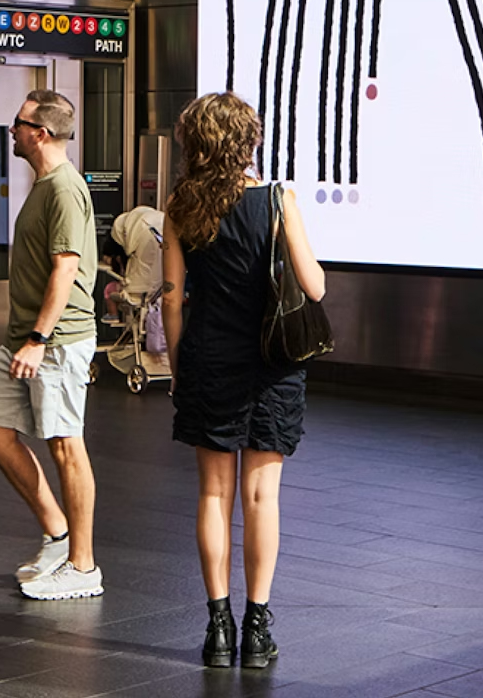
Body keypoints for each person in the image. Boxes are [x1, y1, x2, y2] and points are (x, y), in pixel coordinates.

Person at [162, 93, 325, 671]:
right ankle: (257, 630)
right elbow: (314, 286)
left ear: (195, 144)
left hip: (208, 359)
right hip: (271, 365)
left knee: (214, 494)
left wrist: (179, 368)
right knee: (262, 497)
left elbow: (173, 300)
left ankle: (217, 629)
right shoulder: (278, 199)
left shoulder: (180, 206)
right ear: (248, 141)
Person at [0, 88, 101, 601]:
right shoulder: (43, 184)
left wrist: (38, 338)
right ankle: (58, 534)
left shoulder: (65, 189)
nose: (12, 130)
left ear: (41, 134)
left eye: (19, 123)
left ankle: (83, 566)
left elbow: (65, 269)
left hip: (55, 339)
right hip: (24, 337)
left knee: (65, 445)